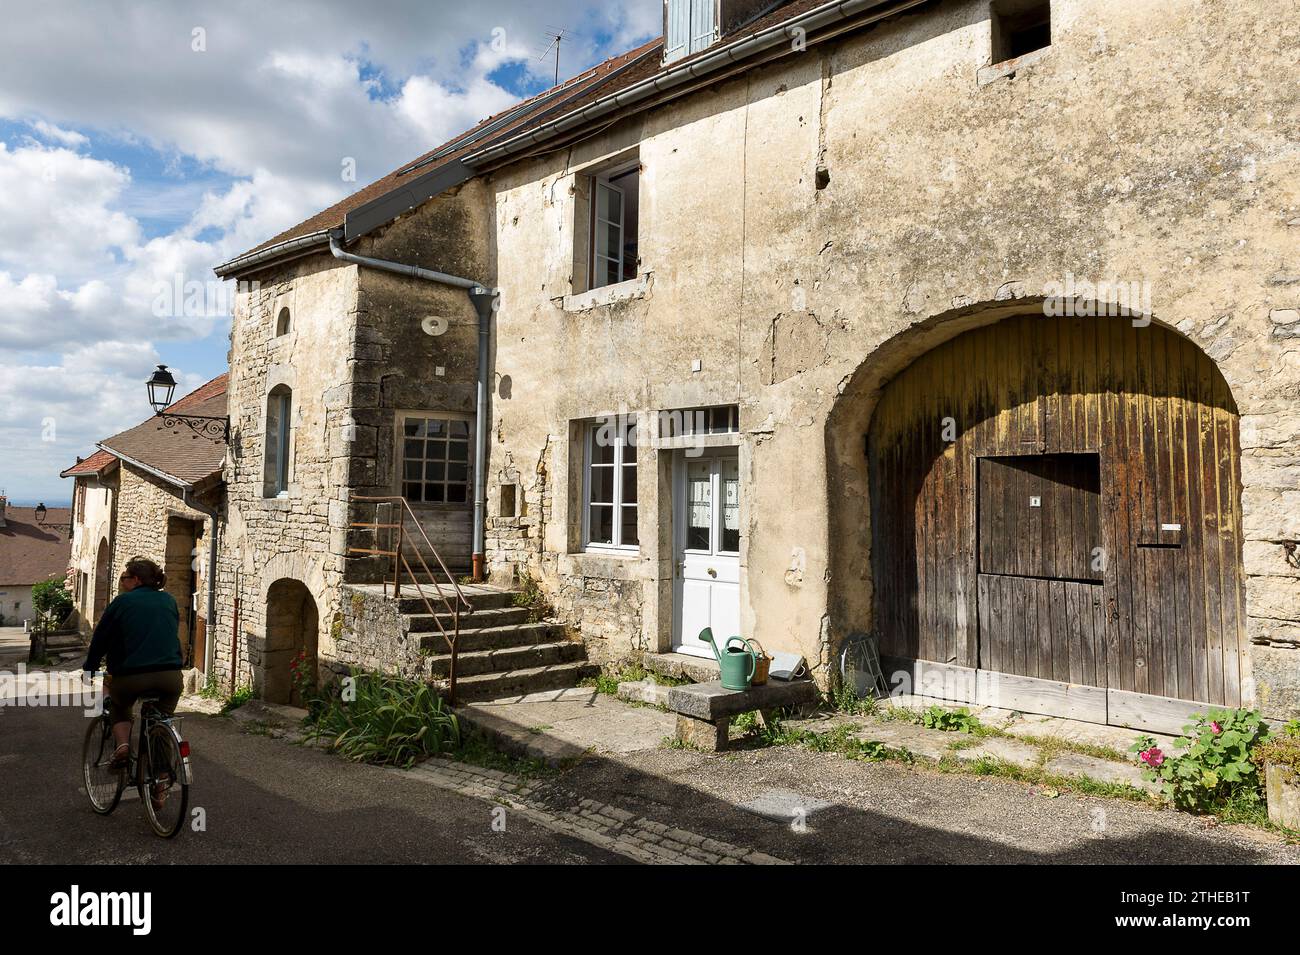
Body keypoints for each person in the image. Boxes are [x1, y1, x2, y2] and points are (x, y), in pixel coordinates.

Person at [82, 558, 184, 783]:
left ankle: (123, 746)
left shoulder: (122, 602)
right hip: (171, 676)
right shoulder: (168, 600)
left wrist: (90, 668)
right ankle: (160, 784)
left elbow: (100, 638)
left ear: (136, 579)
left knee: (119, 705)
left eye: (125, 577)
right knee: (161, 721)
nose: (122, 582)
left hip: (131, 677)